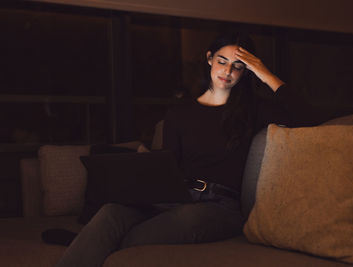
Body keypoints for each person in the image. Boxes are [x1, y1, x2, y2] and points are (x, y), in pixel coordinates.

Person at [56, 32, 311, 267]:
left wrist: (263, 72)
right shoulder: (179, 114)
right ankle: (92, 247)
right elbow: (169, 168)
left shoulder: (253, 111)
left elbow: (306, 118)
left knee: (170, 224)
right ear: (209, 59)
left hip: (220, 208)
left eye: (238, 66)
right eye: (222, 61)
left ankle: (89, 246)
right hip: (175, 198)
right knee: (111, 213)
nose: (228, 71)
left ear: (247, 72)